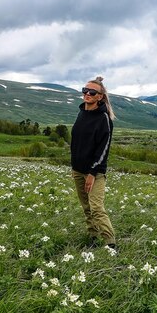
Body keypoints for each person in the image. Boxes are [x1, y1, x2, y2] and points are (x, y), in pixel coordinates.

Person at [70, 76, 117, 249]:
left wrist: (92, 173)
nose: (87, 94)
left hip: (94, 172)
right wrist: (74, 165)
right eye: (85, 90)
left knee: (96, 207)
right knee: (86, 206)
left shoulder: (104, 118)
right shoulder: (82, 112)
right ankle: (93, 237)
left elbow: (102, 149)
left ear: (100, 97)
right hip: (77, 169)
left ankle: (110, 244)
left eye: (92, 92)